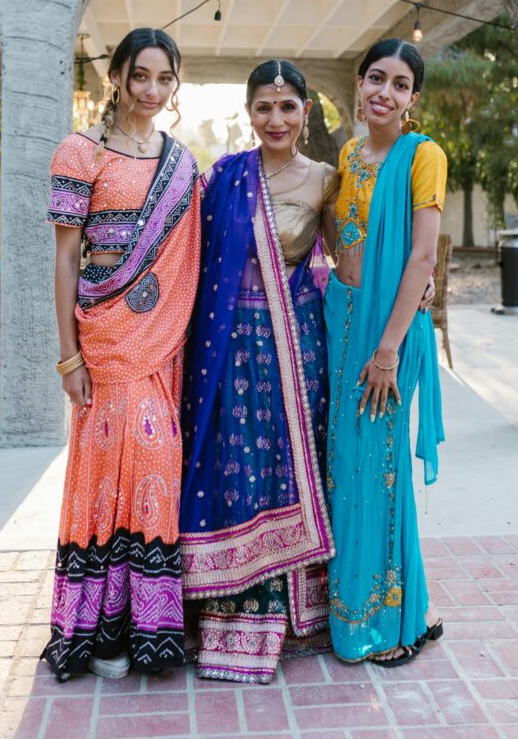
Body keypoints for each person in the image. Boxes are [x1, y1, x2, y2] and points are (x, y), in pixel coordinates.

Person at [41, 28, 200, 681]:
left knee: (155, 468)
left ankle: (150, 630)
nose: (152, 91)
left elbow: (197, 247)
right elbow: (66, 257)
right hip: (102, 345)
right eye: (140, 76)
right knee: (105, 481)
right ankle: (98, 632)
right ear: (116, 77)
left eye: (164, 79)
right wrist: (68, 356)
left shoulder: (182, 164)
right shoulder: (81, 153)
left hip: (161, 345)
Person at [180, 59, 337, 684]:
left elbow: (349, 264)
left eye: (288, 107)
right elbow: (189, 261)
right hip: (226, 344)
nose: (277, 119)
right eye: (265, 108)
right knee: (236, 466)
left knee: (290, 468)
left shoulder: (326, 179)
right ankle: (233, 618)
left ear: (304, 112)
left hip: (296, 346)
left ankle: (303, 615)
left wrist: (415, 285)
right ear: (250, 113)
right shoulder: (223, 178)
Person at [324, 37, 447, 667]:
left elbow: (421, 255)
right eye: (377, 77)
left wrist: (390, 350)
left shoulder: (422, 155)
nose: (385, 92)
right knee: (347, 468)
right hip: (343, 319)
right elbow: (340, 234)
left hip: (388, 335)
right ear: (360, 81)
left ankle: (391, 623)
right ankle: (357, 606)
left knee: (382, 469)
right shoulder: (348, 152)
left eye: (400, 84)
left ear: (412, 99)